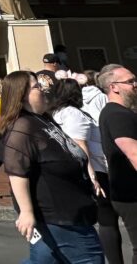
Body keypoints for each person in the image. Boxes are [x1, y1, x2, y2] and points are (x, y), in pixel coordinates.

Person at [0, 70, 102, 262]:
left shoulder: (43, 120)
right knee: (90, 259)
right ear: (22, 95)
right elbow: (17, 172)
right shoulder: (22, 127)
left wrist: (89, 175)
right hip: (57, 216)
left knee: (46, 259)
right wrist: (26, 212)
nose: (43, 89)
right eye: (37, 86)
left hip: (71, 211)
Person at [50, 76, 119, 264]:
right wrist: (92, 177)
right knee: (106, 219)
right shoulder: (72, 114)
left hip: (94, 169)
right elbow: (80, 147)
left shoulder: (60, 113)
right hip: (97, 170)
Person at [98, 64, 137, 264]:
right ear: (114, 87)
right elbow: (133, 152)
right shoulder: (116, 114)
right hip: (131, 193)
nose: (135, 84)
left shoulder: (122, 112)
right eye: (130, 81)